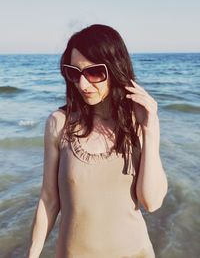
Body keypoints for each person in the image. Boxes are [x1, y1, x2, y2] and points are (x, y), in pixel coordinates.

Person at [26, 24, 168, 258]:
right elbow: (49, 199)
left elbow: (151, 202)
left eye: (93, 73)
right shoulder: (58, 124)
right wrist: (32, 254)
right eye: (74, 73)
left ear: (115, 68)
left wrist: (150, 129)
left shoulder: (138, 124)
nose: (82, 84)